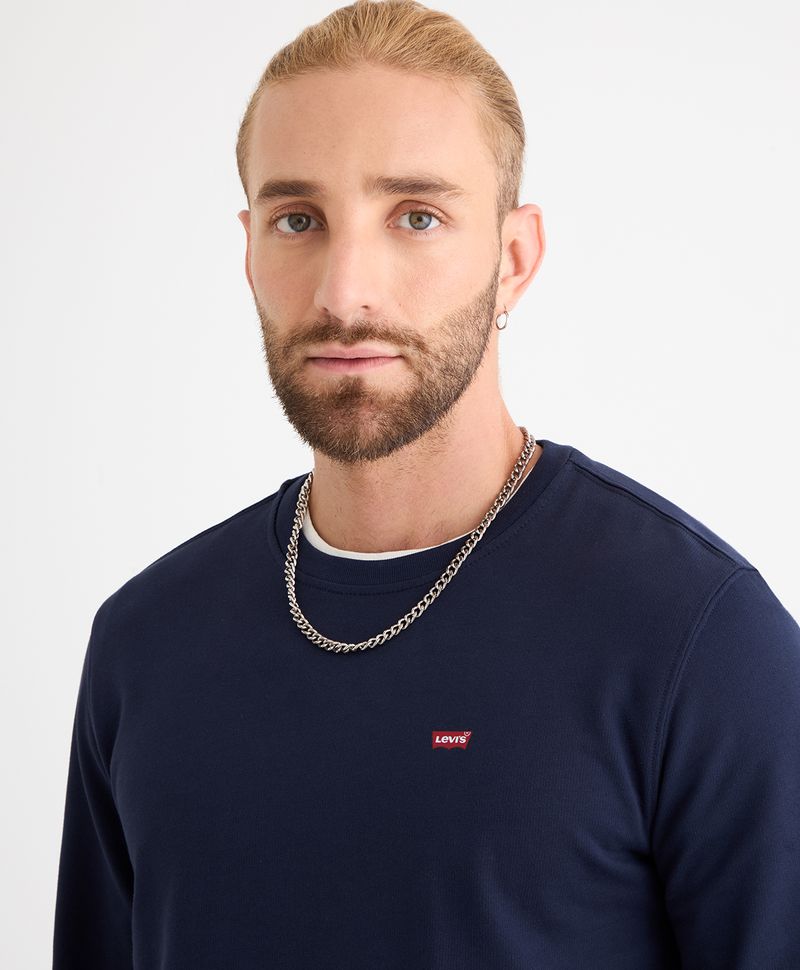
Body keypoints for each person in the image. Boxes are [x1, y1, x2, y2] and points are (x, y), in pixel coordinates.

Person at [52, 1, 800, 967]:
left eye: (417, 217)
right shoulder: (143, 645)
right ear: (249, 251)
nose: (344, 292)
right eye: (297, 220)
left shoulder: (698, 641)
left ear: (513, 259)